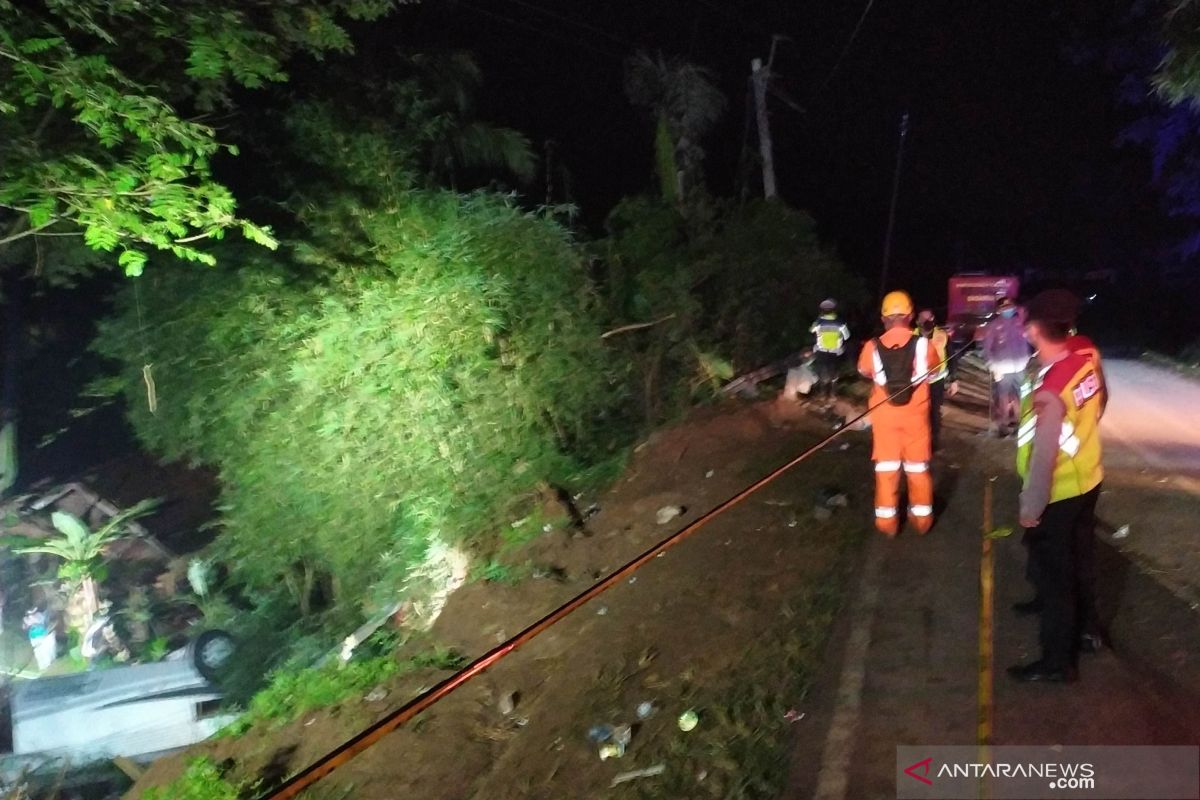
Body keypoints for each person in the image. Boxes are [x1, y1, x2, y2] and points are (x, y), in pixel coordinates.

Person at [1008, 290, 1104, 683]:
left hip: (1059, 492)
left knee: (1056, 577)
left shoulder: (1051, 391)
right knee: (1078, 561)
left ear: (1033, 330)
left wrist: (1031, 508)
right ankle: (1087, 629)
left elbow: (1044, 458)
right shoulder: (1084, 356)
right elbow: (1099, 403)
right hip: (1088, 479)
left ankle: (1056, 663)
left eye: (1024, 323)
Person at [857, 291, 941, 537]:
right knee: (917, 469)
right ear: (910, 316)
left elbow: (864, 371)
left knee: (886, 470)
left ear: (884, 318)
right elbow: (935, 374)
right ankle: (922, 521)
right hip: (916, 421)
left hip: (885, 421)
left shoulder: (871, 347)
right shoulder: (925, 346)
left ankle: (888, 525)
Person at [982, 297, 1030, 437]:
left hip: (1020, 367)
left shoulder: (1019, 323)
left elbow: (1025, 342)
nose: (1008, 310)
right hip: (1002, 369)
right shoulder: (994, 326)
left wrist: (1026, 358)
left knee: (1019, 396)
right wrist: (992, 366)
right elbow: (987, 349)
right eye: (1005, 308)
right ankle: (1003, 425)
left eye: (1010, 307)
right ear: (999, 310)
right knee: (1002, 397)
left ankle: (1017, 423)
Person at [915, 309, 959, 451]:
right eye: (923, 318)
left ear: (933, 319)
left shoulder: (942, 335)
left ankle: (934, 441)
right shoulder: (911, 336)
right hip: (917, 383)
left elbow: (952, 358)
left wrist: (954, 380)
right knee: (918, 412)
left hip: (937, 381)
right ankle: (918, 439)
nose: (926, 321)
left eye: (929, 318)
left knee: (934, 411)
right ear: (917, 320)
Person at [809, 298, 851, 405]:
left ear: (822, 310)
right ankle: (833, 395)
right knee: (834, 374)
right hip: (835, 353)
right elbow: (847, 336)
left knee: (822, 374)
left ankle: (822, 395)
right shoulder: (840, 323)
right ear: (834, 310)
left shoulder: (818, 322)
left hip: (821, 352)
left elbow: (811, 330)